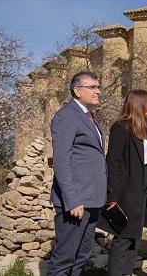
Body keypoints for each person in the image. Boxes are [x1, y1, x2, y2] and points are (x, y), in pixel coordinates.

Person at [49, 71, 107, 276]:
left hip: (92, 200)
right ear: (77, 90)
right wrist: (72, 200)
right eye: (92, 87)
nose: (98, 91)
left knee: (82, 256)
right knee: (65, 259)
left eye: (98, 87)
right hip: (76, 202)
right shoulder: (66, 116)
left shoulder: (90, 117)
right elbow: (62, 162)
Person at [100, 90, 147, 276]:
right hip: (127, 194)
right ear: (139, 105)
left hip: (142, 193)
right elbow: (113, 162)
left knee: (134, 239)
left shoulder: (142, 129)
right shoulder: (121, 127)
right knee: (123, 238)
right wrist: (113, 195)